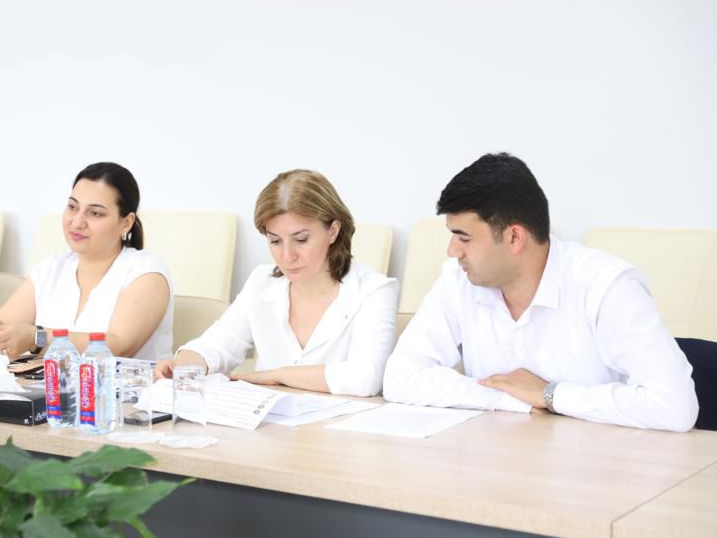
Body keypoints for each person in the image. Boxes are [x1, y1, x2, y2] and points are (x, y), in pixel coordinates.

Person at [382, 152, 698, 431]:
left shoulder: (606, 286)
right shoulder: (458, 279)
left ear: (514, 238)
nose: (453, 251)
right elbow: (400, 377)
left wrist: (551, 395)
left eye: (464, 238)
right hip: (500, 460)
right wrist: (509, 400)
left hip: (602, 467)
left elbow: (675, 406)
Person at [155, 169, 398, 397]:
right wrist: (181, 365)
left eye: (301, 239)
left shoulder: (375, 291)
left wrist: (276, 375)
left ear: (333, 231)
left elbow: (367, 377)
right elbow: (218, 344)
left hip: (342, 426)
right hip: (271, 424)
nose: (287, 256)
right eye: (275, 241)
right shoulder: (262, 282)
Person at [0, 162, 173, 359]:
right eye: (73, 207)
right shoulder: (51, 268)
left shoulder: (146, 272)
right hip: (53, 393)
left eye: (95, 213)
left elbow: (117, 345)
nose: (77, 222)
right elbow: (1, 322)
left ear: (126, 223)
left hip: (128, 395)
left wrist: (37, 339)